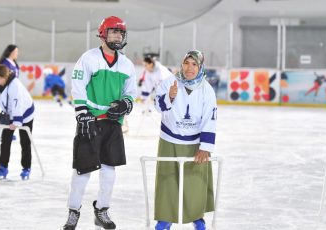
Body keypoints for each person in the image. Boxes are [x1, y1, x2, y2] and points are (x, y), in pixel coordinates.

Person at [63, 16, 136, 230]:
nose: (117, 36)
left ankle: (102, 210)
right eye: (113, 32)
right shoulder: (88, 58)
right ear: (103, 33)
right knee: (82, 171)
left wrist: (126, 104)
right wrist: (82, 113)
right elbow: (78, 86)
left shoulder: (126, 64)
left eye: (120, 33)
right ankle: (73, 211)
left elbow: (130, 92)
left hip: (113, 124)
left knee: (108, 172)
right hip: (90, 121)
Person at [153, 50, 217, 230]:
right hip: (169, 140)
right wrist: (170, 97)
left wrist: (205, 147)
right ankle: (165, 218)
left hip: (194, 144)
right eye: (187, 63)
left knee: (195, 182)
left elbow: (209, 119)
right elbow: (158, 107)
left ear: (200, 67)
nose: (189, 68)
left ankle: (197, 217)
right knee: (168, 180)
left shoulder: (207, 90)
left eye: (194, 64)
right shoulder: (169, 82)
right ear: (182, 64)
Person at [0, 65, 35, 180]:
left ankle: (26, 168)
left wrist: (17, 122)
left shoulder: (15, 85)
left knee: (25, 141)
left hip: (25, 112)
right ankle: (3, 167)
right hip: (9, 114)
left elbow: (18, 103)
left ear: (4, 78)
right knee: (5, 140)